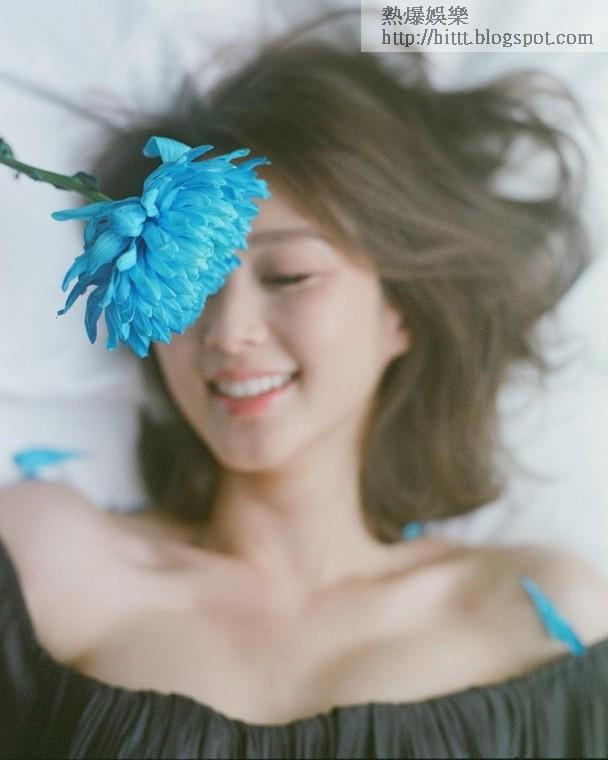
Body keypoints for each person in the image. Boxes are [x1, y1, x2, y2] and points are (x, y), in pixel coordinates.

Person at [1, 18, 608, 760]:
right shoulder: (48, 559)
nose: (229, 332)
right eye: (193, 288)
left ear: (402, 311)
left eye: (289, 276)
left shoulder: (536, 618)